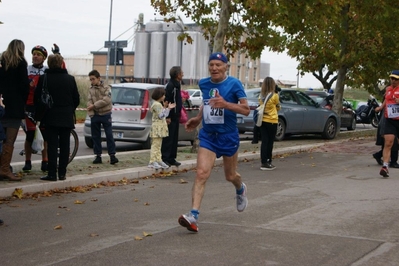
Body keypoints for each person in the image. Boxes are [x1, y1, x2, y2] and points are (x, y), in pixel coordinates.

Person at [178, 52, 250, 232]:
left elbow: (246, 109)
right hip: (209, 135)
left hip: (228, 136)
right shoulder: (204, 84)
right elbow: (206, 104)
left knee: (230, 176)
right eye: (211, 65)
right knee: (201, 173)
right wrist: (198, 118)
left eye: (218, 64)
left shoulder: (234, 84)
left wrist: (226, 104)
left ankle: (240, 189)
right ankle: (193, 216)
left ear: (226, 66)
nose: (214, 68)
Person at [34, 54, 80, 181]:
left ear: (49, 63)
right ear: (61, 64)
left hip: (50, 116)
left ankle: (52, 173)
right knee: (65, 145)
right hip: (66, 116)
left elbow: (38, 97)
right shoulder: (70, 79)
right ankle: (62, 173)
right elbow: (76, 98)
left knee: (52, 146)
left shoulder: (44, 78)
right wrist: (69, 109)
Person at [0, 39, 30, 181]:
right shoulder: (21, 63)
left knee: (1, 138)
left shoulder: (2, 62)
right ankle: (4, 169)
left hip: (2, 104)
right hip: (15, 106)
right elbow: (24, 85)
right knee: (10, 140)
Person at [23, 45, 49, 172]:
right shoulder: (27, 69)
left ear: (43, 58)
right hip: (29, 105)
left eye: (38, 54)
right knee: (30, 134)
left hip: (42, 107)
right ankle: (27, 161)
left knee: (44, 135)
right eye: (34, 54)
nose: (35, 56)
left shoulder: (47, 70)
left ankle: (45, 161)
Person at [87, 70, 119, 165]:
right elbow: (89, 100)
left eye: (93, 79)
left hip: (105, 114)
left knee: (109, 135)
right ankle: (97, 155)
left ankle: (112, 155)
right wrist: (90, 107)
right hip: (95, 115)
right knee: (95, 136)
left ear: (98, 78)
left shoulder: (106, 87)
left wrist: (94, 105)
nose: (92, 81)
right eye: (90, 79)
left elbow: (106, 100)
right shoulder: (90, 89)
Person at [375, 70, 399, 178]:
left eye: (396, 79)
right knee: (388, 143)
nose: (393, 80)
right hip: (389, 119)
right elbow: (386, 100)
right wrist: (381, 107)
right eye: (392, 78)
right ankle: (385, 167)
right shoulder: (388, 89)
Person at [148, 87, 175, 169]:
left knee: (159, 145)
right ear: (160, 95)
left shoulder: (158, 104)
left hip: (159, 127)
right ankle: (152, 161)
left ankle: (158, 159)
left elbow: (163, 114)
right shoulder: (157, 104)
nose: (164, 97)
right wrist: (168, 109)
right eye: (163, 95)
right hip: (157, 127)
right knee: (155, 145)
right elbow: (161, 115)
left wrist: (166, 108)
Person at [161, 66, 184, 167]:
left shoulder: (177, 85)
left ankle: (172, 157)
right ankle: (165, 157)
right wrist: (168, 116)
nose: (183, 74)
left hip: (176, 115)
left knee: (174, 138)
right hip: (170, 115)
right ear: (177, 74)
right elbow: (167, 100)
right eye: (181, 72)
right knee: (168, 138)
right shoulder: (170, 85)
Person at [258, 77, 281, 170]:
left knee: (264, 141)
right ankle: (268, 161)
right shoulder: (275, 96)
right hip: (272, 121)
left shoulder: (261, 96)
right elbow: (278, 107)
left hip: (263, 121)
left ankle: (263, 161)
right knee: (270, 142)